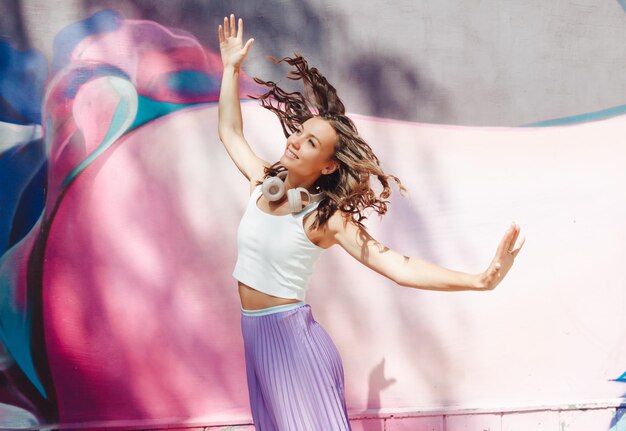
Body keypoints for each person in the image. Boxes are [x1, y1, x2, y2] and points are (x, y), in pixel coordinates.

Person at [217, 14, 525, 431]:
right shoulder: (264, 183)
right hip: (256, 339)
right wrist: (232, 68)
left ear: (327, 167)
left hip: (293, 347)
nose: (294, 141)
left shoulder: (324, 218)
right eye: (300, 132)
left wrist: (479, 280)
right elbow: (231, 134)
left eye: (311, 142)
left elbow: (397, 265)